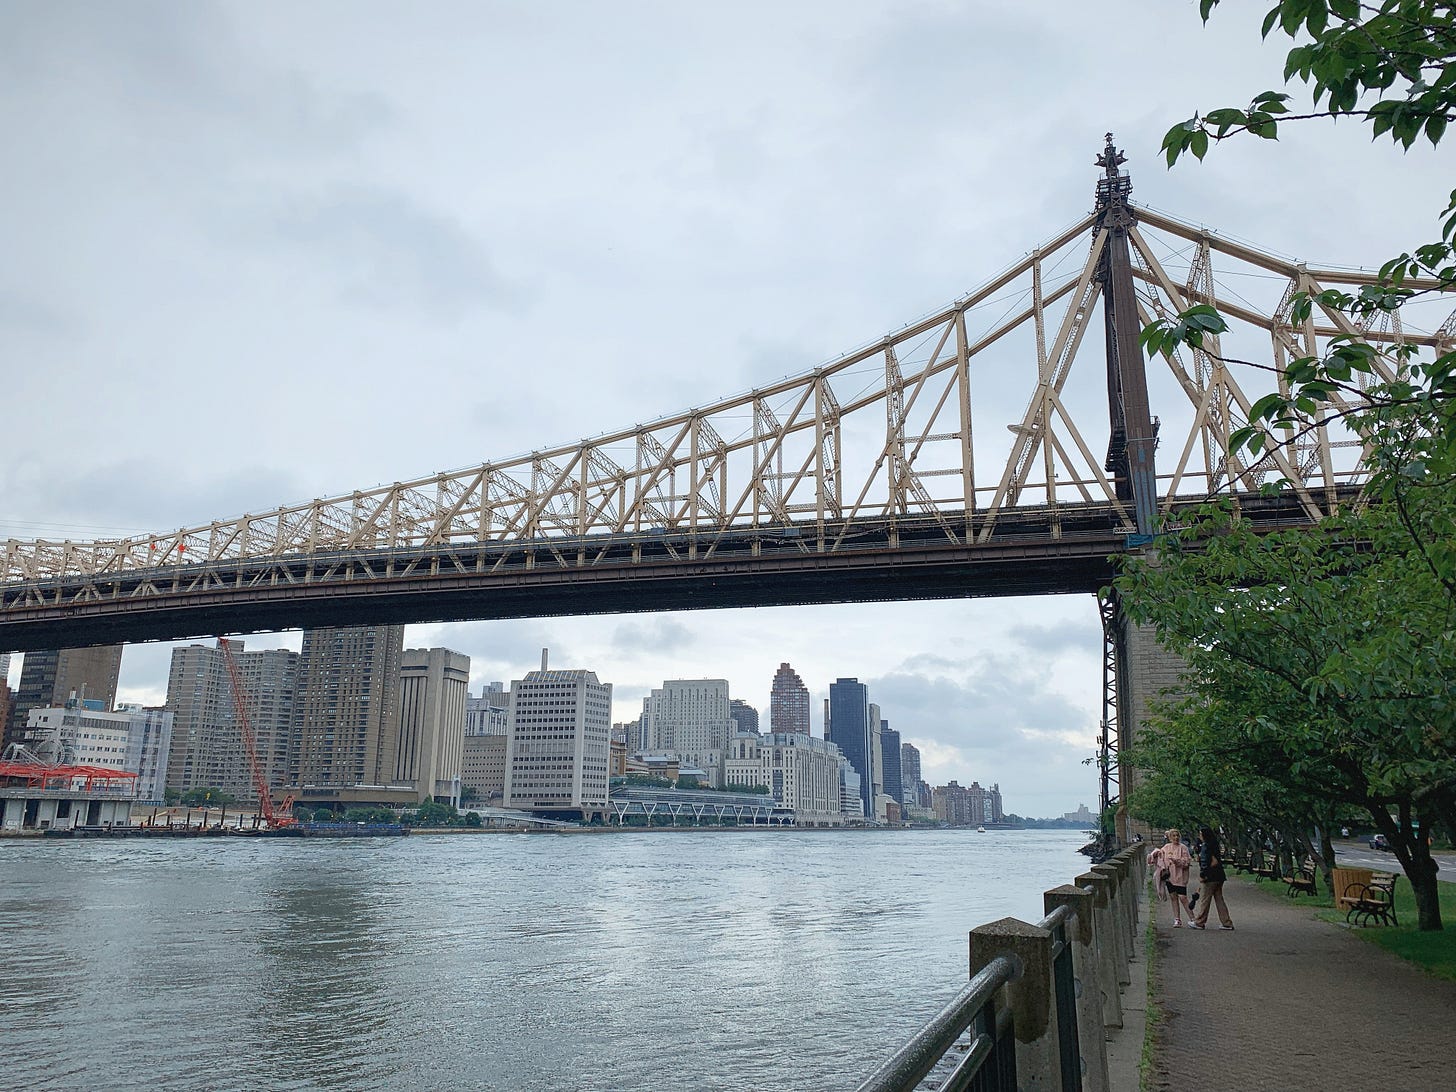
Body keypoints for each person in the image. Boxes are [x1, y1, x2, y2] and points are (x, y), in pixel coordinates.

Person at [1189, 825, 1234, 931]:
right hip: (1219, 875)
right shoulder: (1214, 844)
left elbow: (1210, 862)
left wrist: (1203, 875)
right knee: (1219, 899)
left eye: (1200, 833)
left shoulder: (1206, 846)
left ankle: (1199, 922)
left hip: (1210, 877)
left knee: (1205, 899)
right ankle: (1226, 922)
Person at [1148, 828, 1193, 927]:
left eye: (1177, 835)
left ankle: (1192, 918)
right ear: (1169, 837)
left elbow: (1187, 862)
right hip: (1170, 877)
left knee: (1183, 897)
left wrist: (1177, 861)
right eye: (1173, 836)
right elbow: (1159, 858)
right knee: (1173, 897)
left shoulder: (1183, 848)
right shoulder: (1166, 848)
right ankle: (1177, 919)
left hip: (1180, 877)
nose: (1176, 837)